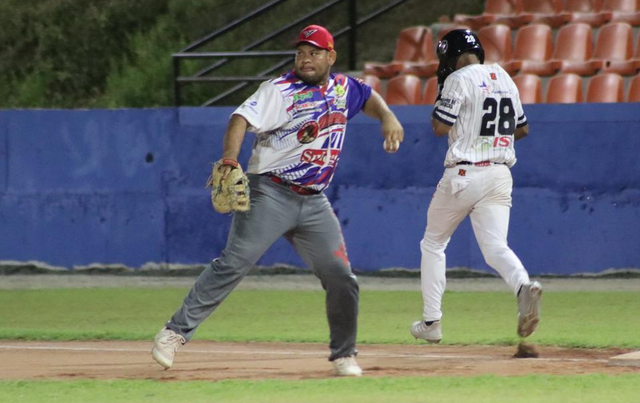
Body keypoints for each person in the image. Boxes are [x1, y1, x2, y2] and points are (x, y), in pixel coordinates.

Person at [152, 24, 404, 377]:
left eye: (314, 52)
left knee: (341, 276)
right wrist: (229, 159)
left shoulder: (344, 88)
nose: (305, 59)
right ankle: (173, 333)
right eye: (300, 52)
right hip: (270, 191)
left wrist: (388, 116)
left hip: (313, 201)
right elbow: (240, 117)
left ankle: (344, 354)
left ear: (331, 56)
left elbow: (368, 95)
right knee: (234, 262)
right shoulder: (280, 90)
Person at [410, 29, 541, 344]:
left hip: (464, 173)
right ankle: (523, 286)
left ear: (450, 55)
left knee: (433, 244)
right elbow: (521, 129)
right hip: (499, 173)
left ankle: (432, 322)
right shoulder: (503, 76)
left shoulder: (457, 79)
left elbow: (440, 127)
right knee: (496, 248)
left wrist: (445, 99)